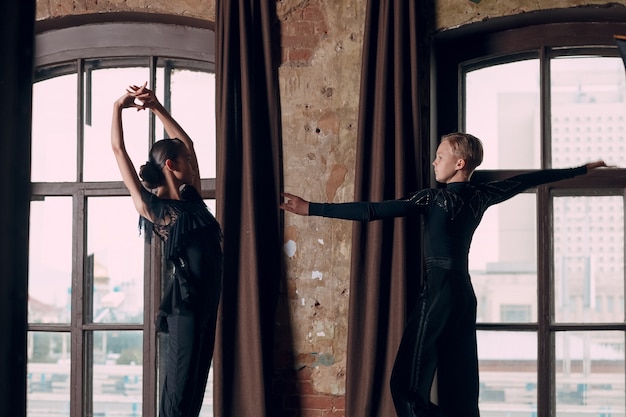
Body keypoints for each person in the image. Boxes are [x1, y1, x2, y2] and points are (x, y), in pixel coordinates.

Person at [280, 132, 606, 417]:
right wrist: (581, 169)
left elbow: (372, 211)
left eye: (440, 156)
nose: (435, 162)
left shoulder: (433, 198)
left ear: (460, 163)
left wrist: (311, 208)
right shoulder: (482, 196)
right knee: (461, 388)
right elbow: (529, 179)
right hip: (464, 293)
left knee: (404, 385)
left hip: (439, 290)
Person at [111, 83, 222, 417]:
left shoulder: (192, 199)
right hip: (185, 311)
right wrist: (119, 106)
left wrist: (157, 106)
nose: (192, 160)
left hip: (207, 306)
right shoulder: (156, 211)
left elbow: (187, 143)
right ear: (172, 165)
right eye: (186, 160)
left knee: (193, 396)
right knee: (177, 398)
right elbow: (119, 152)